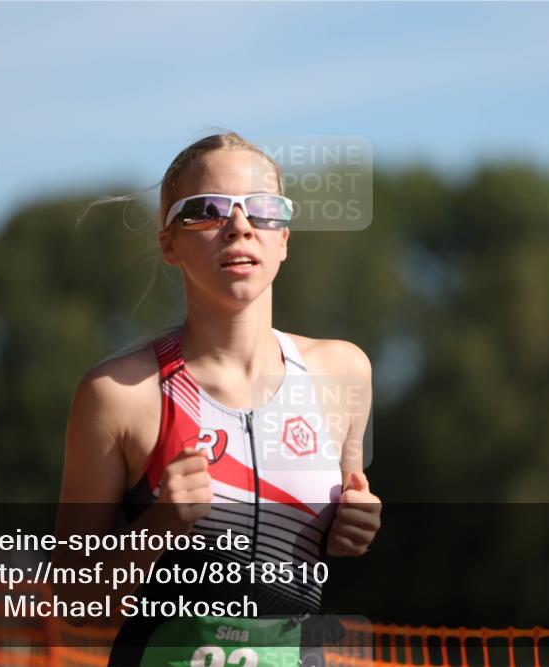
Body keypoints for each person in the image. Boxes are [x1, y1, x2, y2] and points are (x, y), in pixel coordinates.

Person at [56, 132, 381, 666]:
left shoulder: (344, 372)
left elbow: (347, 519)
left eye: (263, 209)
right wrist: (161, 524)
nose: (239, 225)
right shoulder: (118, 395)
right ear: (169, 244)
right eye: (205, 211)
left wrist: (357, 526)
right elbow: (74, 599)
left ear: (283, 238)